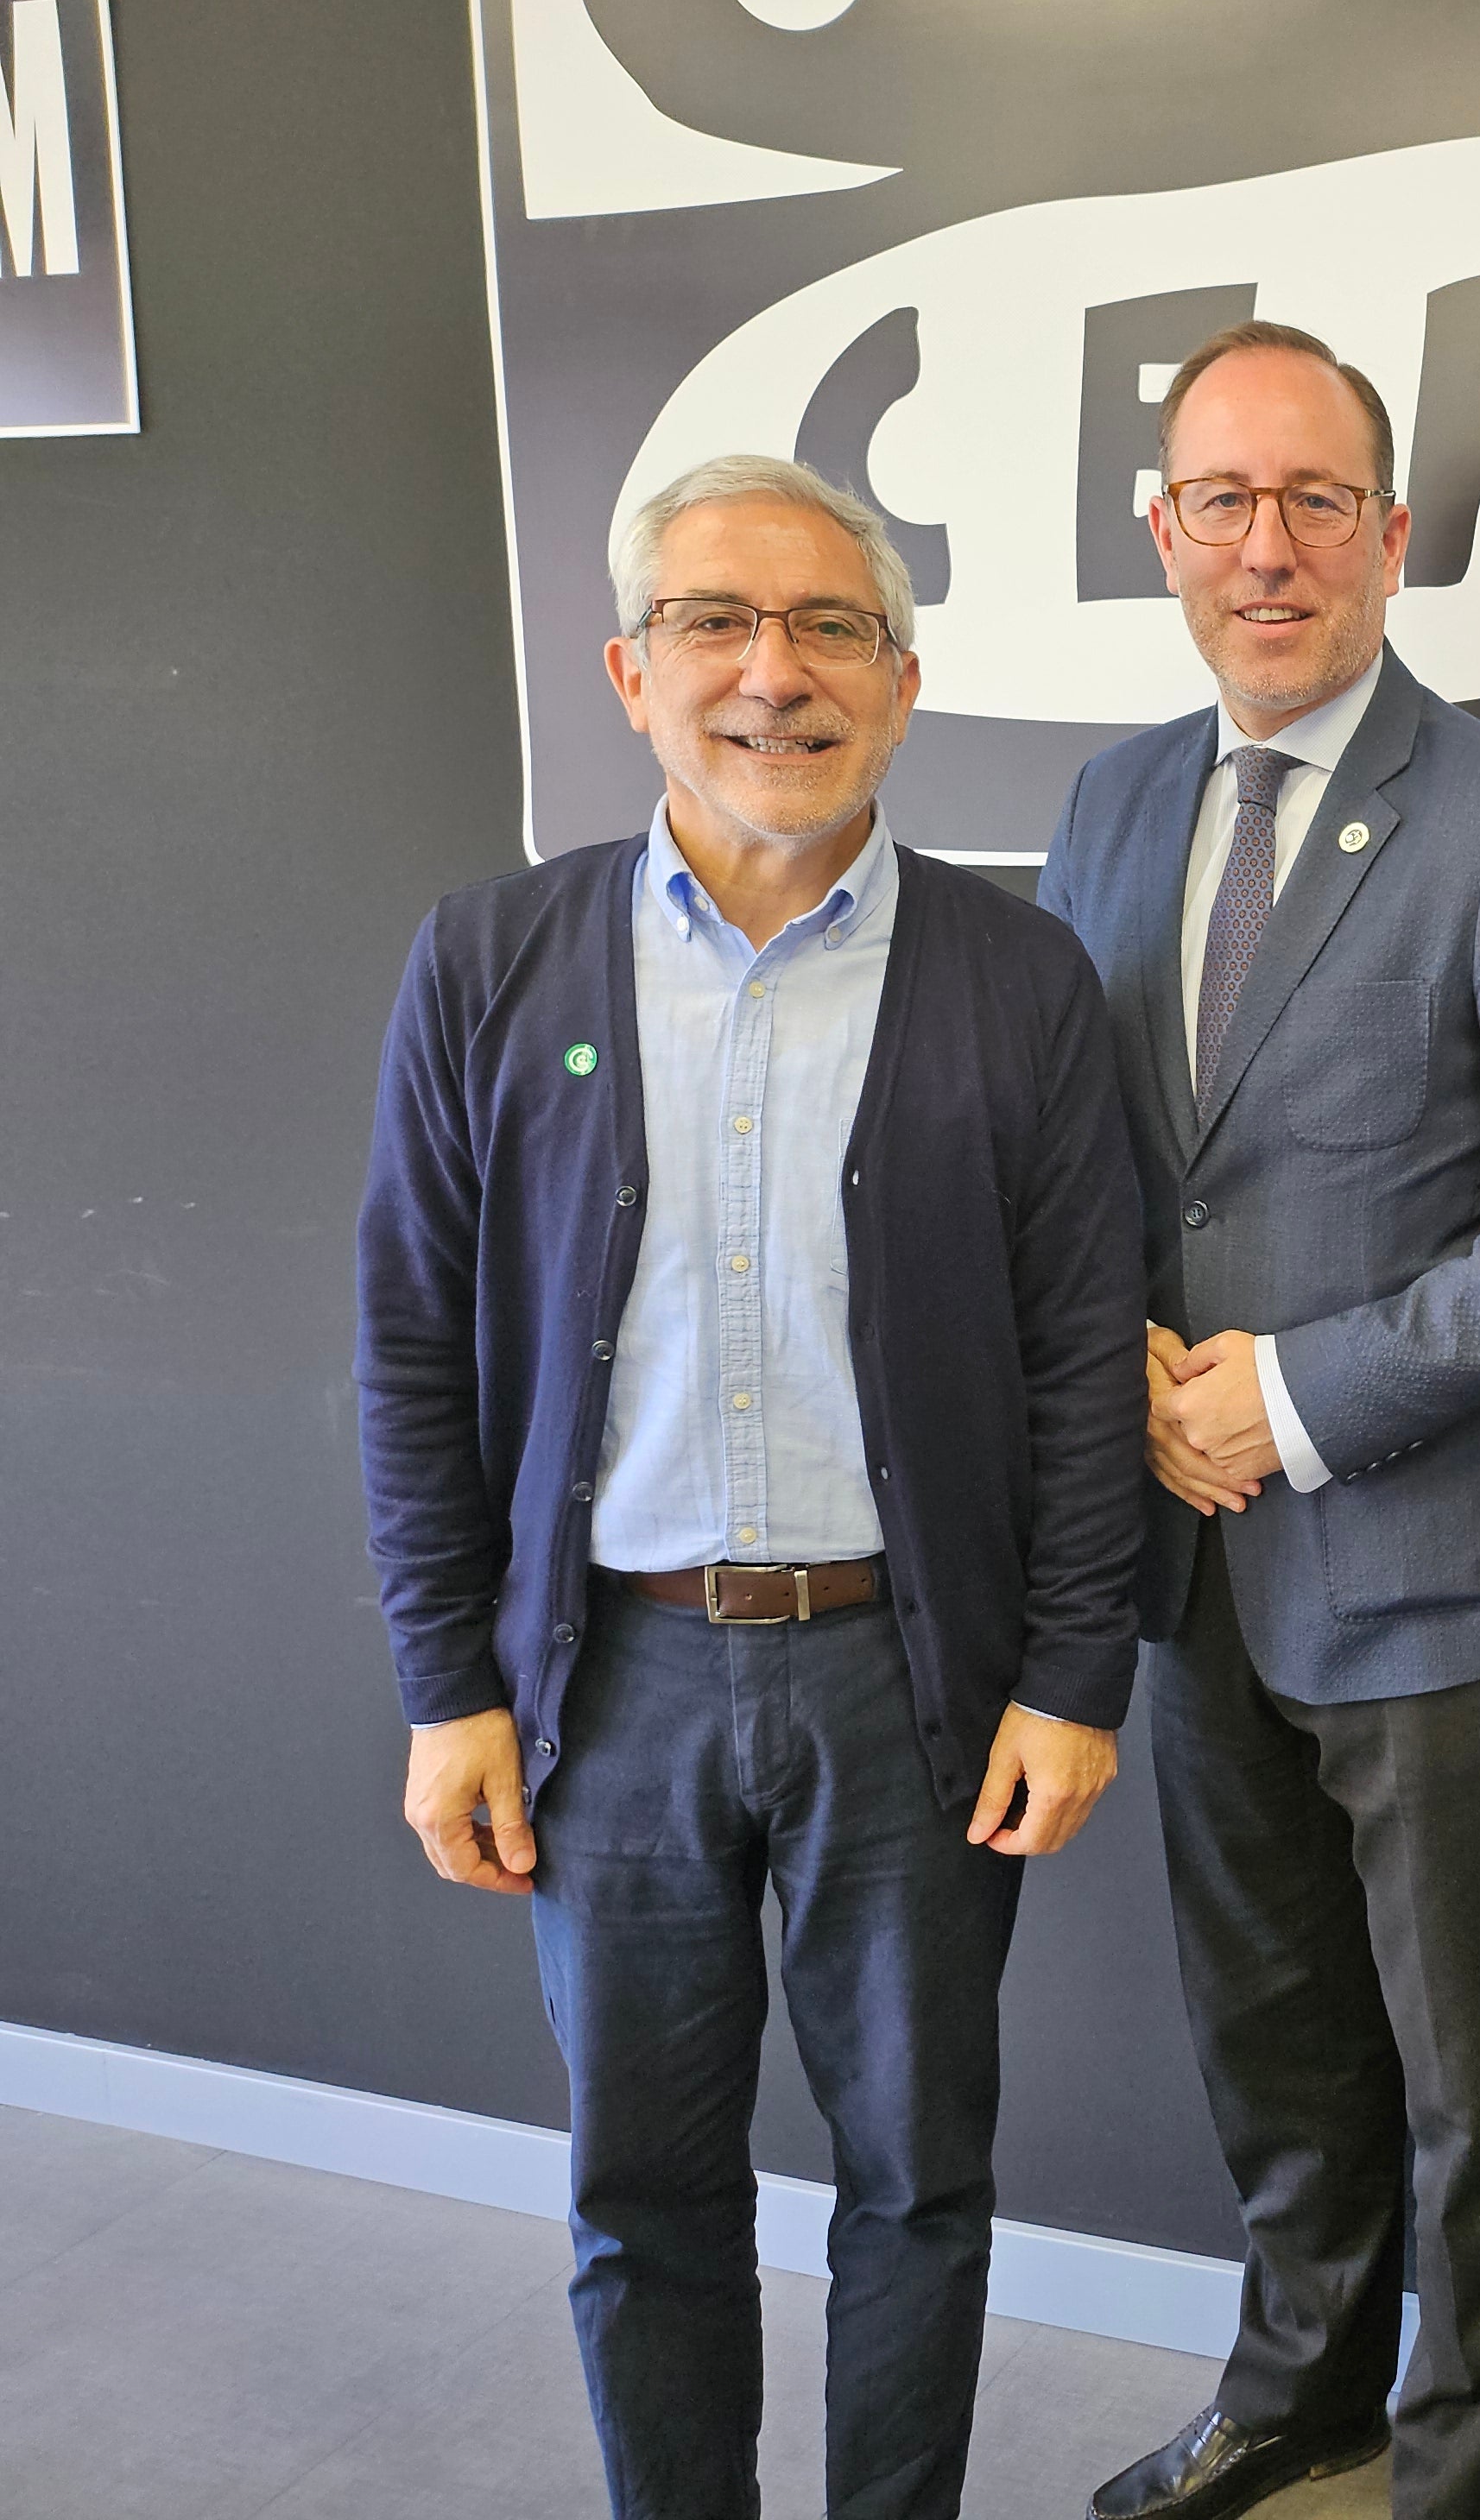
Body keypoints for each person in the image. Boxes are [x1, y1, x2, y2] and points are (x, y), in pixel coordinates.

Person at [357, 455, 1148, 2520]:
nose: (769, 676)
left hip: (908, 1690)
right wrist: (452, 1686)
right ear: (631, 671)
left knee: (916, 2189)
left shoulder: (1018, 980)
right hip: (605, 1694)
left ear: (902, 681)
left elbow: (1086, 1361)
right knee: (646, 2198)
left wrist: (1074, 1680)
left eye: (827, 631)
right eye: (714, 624)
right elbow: (414, 1352)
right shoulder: (487, 965)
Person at [1035, 320, 1480, 2520]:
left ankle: (1455, 2466)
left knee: (1474, 2088)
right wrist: (1115, 1358)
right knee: (1271, 2040)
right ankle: (1293, 2379)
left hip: (1431, 1575)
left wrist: (1295, 1399)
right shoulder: (1115, 803)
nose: (1268, 546)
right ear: (1163, 537)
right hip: (1186, 1563)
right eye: (1222, 501)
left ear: (1393, 538)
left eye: (1317, 501)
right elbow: (1083, 1156)